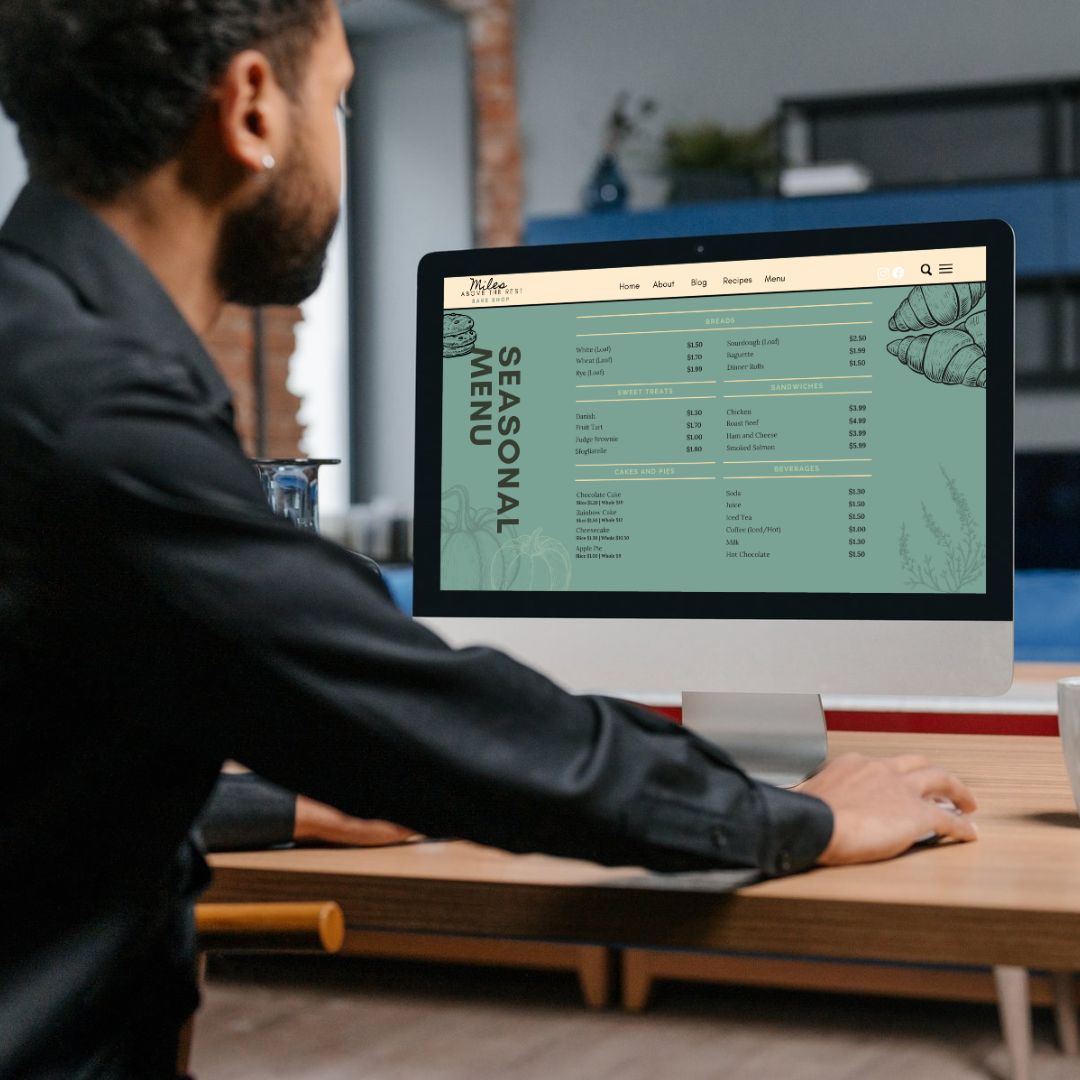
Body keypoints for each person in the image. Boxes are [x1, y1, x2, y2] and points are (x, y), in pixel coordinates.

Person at [0, 2, 977, 1076]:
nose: (340, 139)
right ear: (248, 110)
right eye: (338, 98)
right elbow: (446, 723)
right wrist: (798, 818)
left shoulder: (37, 355)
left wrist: (278, 802)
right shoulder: (88, 416)